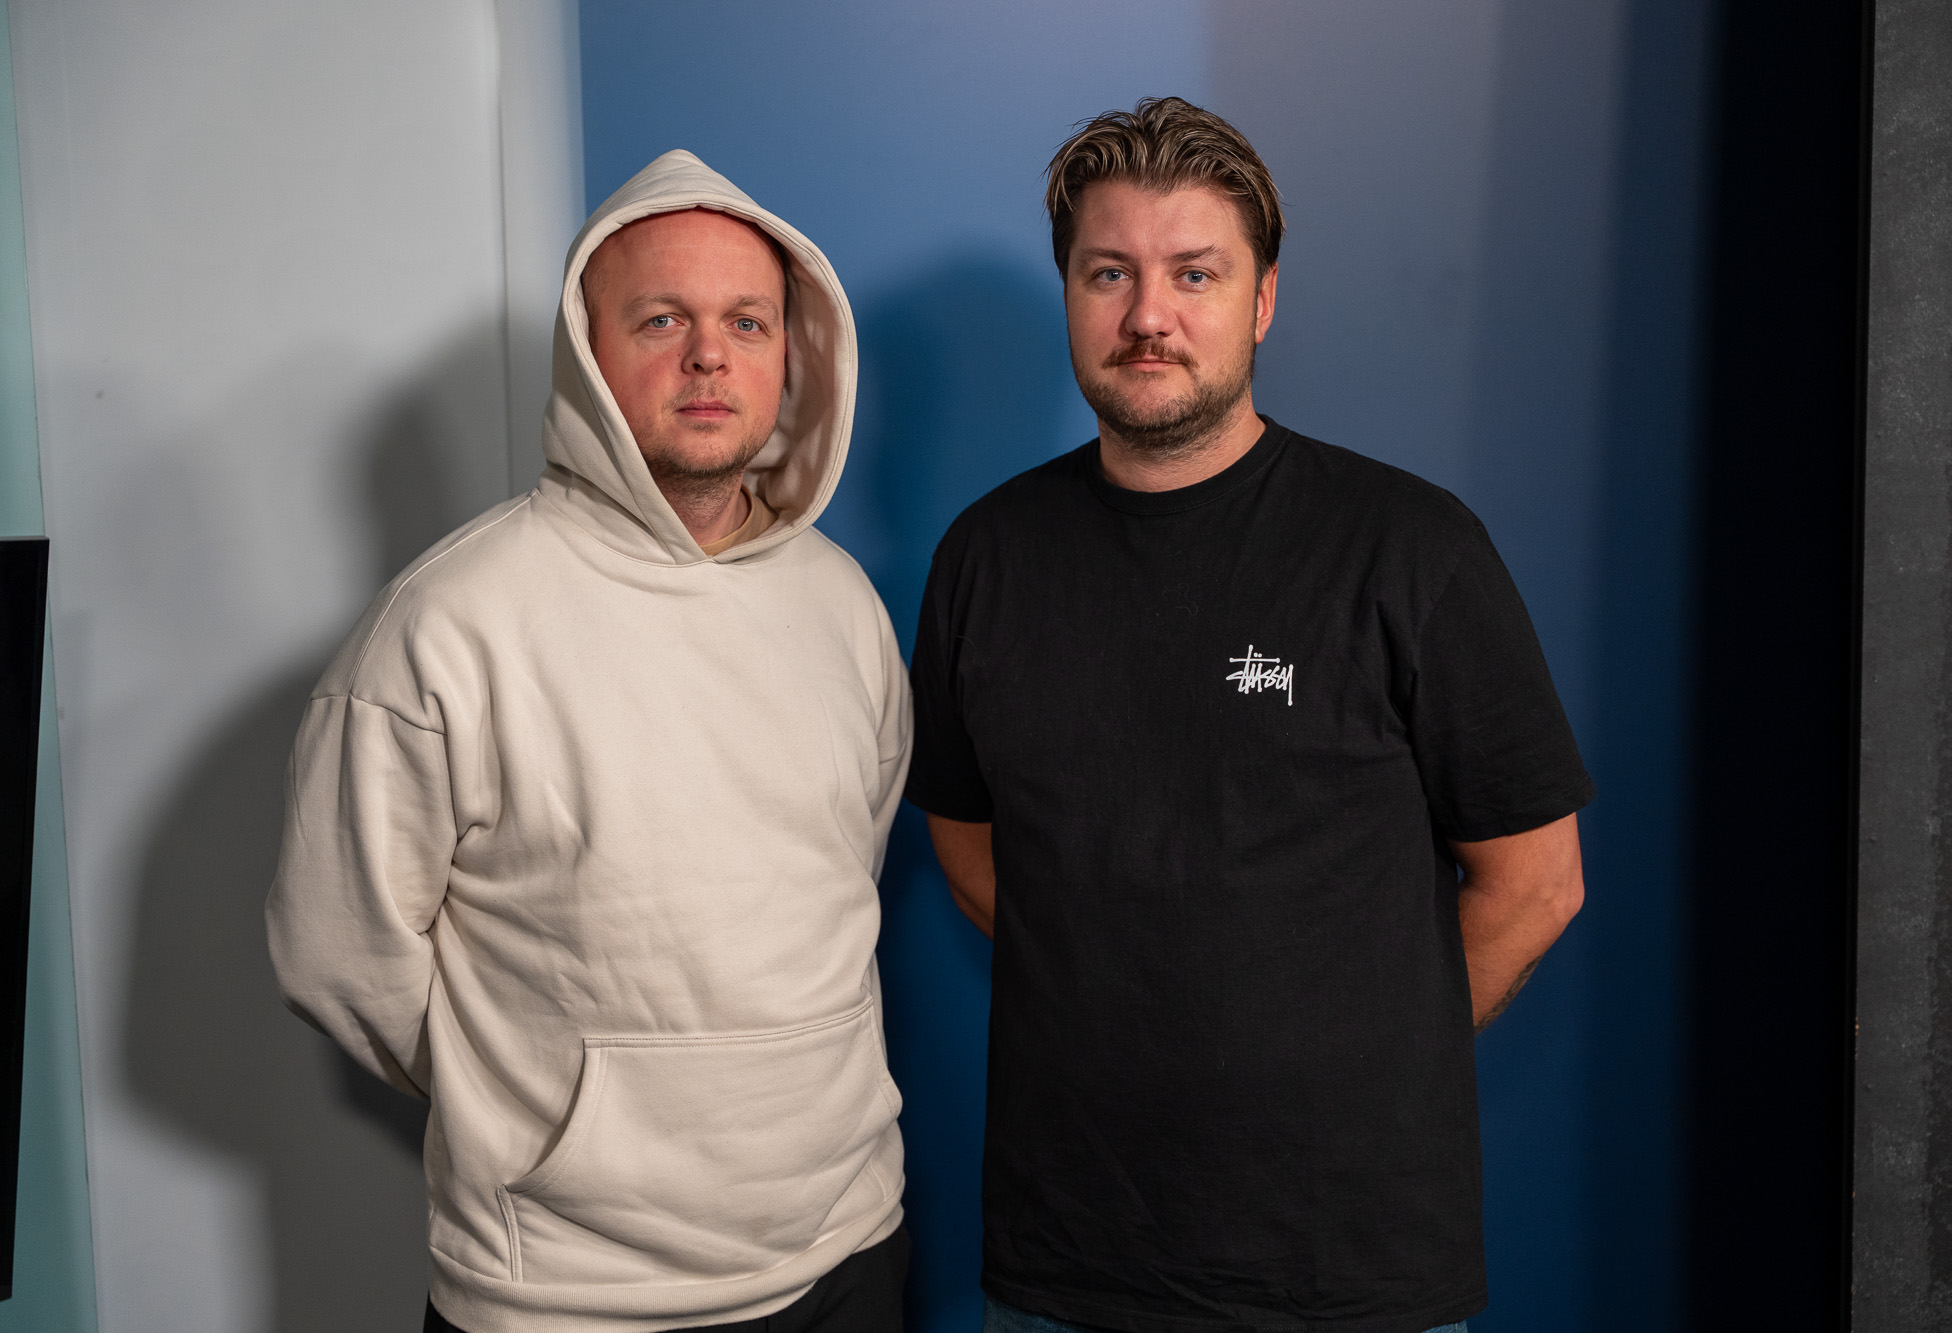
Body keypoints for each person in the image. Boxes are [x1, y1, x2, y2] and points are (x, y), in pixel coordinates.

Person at [907, 98, 1593, 1333]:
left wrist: (1355, 1066)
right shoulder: (985, 559)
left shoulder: (1408, 549)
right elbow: (963, 840)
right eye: (1107, 273)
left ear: (1261, 300)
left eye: (1193, 273)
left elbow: (1535, 884)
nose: (1147, 315)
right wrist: (1128, 991)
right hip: (1071, 1260)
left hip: (1348, 1265)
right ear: (1069, 292)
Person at [267, 150, 912, 1333]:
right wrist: (546, 1107)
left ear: (791, 356)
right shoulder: (448, 625)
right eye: (661, 319)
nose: (709, 356)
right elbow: (337, 955)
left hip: (848, 1252)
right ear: (585, 351)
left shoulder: (844, 607)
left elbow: (841, 874)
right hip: (566, 1297)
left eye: (746, 322)